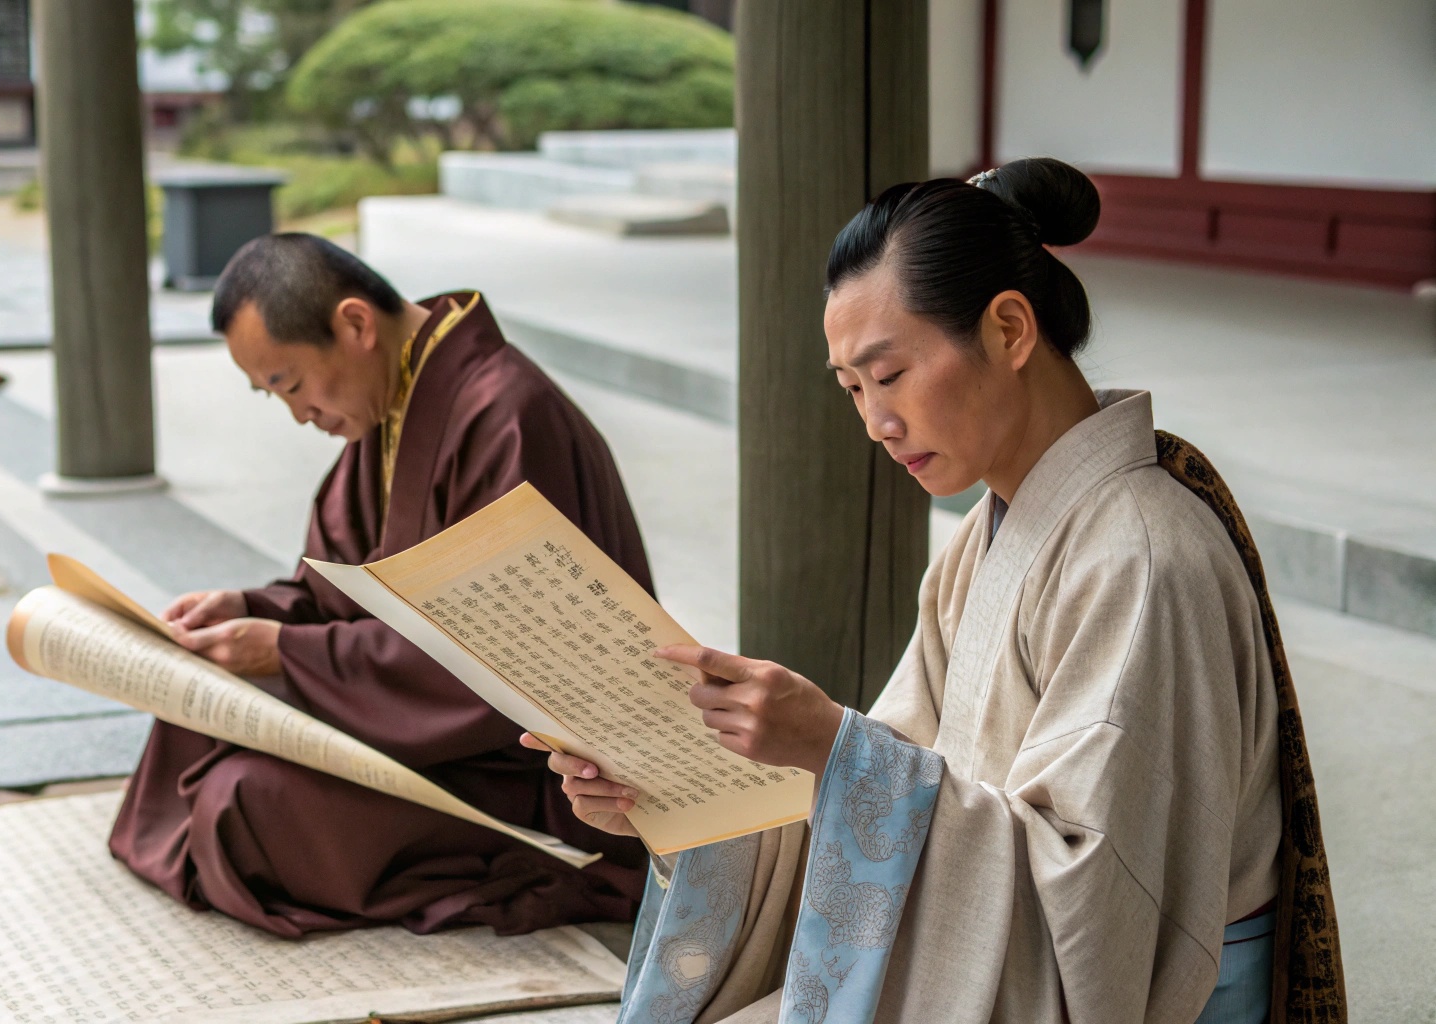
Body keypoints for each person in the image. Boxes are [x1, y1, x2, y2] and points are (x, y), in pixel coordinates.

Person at [530, 158, 1344, 1023]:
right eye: (851, 390)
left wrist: (835, 744)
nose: (876, 423)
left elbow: (1094, 908)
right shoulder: (985, 536)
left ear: (1008, 330)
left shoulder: (1141, 558)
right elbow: (899, 791)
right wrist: (679, 797)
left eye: (890, 376)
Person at [110, 233, 650, 937]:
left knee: (243, 800)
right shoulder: (390, 403)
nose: (299, 414)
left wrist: (287, 654)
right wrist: (251, 610)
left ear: (356, 325)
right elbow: (338, 591)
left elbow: (500, 662)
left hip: (526, 768)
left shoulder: (505, 415)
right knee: (194, 712)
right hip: (407, 709)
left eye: (291, 383)